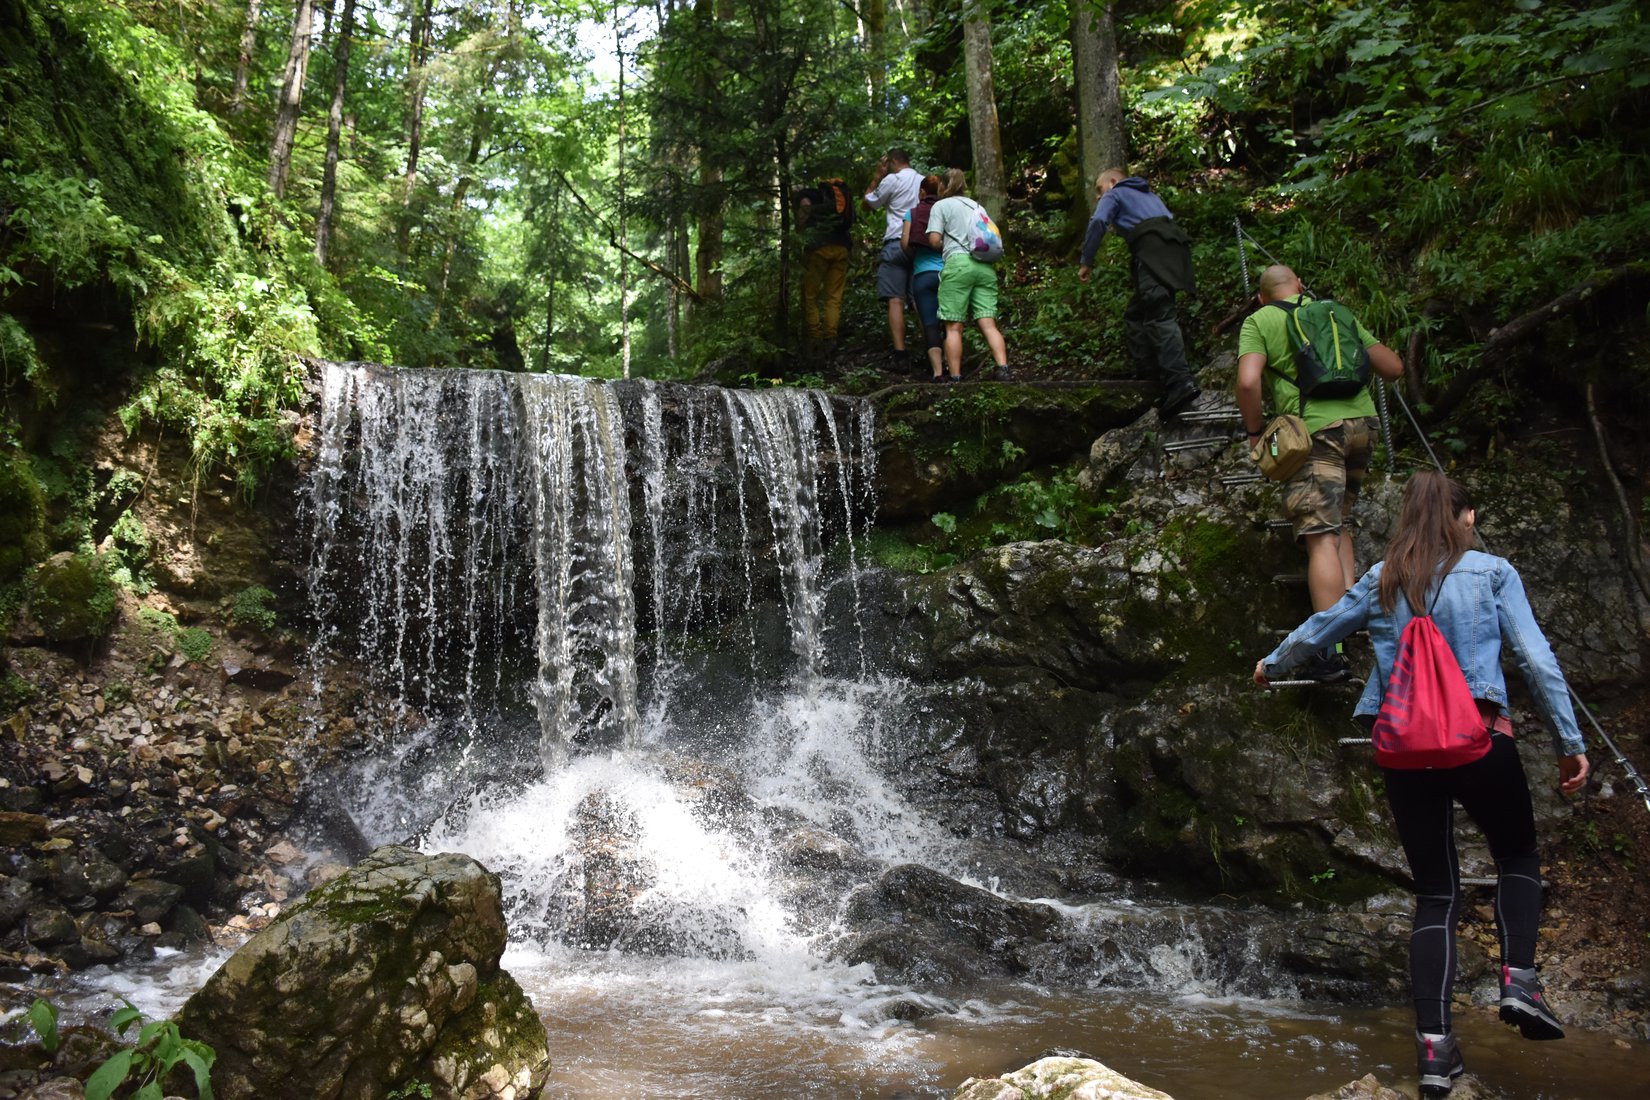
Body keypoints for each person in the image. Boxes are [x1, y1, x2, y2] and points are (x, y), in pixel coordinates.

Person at [1254, 471, 1590, 1098]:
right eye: (1470, 516)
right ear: (1461, 518)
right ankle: (1519, 982)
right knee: (1516, 854)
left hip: (1406, 753)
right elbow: (1537, 660)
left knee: (1436, 893)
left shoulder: (1383, 575)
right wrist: (1571, 744)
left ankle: (1435, 1052)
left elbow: (1320, 628)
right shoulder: (1491, 572)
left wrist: (1273, 664)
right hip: (1480, 741)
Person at [1236, 263, 1404, 681]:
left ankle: (1327, 650)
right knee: (1338, 522)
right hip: (1363, 424)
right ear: (1301, 286)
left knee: (1319, 535)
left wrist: (1256, 433)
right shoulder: (1335, 312)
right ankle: (1349, 617)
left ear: (1261, 296)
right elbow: (1393, 367)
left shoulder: (1260, 320)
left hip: (1315, 431)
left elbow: (1248, 381)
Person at [1077, 170, 1199, 416]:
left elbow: (1099, 221)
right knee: (1137, 313)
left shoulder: (1116, 193)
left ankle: (1180, 382)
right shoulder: (1149, 196)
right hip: (1175, 252)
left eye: (1100, 190)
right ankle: (1149, 375)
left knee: (1159, 315)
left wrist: (1087, 260)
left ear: (1112, 182)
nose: (1100, 197)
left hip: (1152, 251)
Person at [925, 168, 1010, 381]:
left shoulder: (940, 206)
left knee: (954, 327)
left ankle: (955, 378)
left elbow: (934, 240)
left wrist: (947, 245)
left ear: (942, 186)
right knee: (988, 323)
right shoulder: (977, 206)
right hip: (984, 266)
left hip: (958, 265)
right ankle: (1003, 368)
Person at [863, 148, 923, 368]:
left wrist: (876, 177)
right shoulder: (923, 180)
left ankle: (901, 355)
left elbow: (871, 202)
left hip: (896, 242)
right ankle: (934, 348)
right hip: (919, 244)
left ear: (893, 161)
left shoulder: (892, 180)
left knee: (895, 300)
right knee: (919, 299)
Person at [795, 175, 855, 357]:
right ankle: (830, 337)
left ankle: (814, 336)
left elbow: (805, 208)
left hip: (819, 249)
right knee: (833, 296)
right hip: (842, 247)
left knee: (811, 295)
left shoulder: (807, 195)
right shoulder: (842, 195)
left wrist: (799, 229)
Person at [900, 174, 946, 381]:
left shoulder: (912, 213)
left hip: (923, 274)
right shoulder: (947, 211)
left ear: (922, 192)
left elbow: (905, 243)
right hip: (948, 275)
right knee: (951, 323)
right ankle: (954, 368)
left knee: (929, 323)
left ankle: (937, 372)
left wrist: (916, 257)